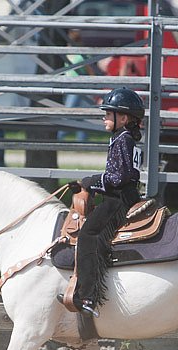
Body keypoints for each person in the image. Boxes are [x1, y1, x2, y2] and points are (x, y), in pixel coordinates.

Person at [60, 87, 145, 317]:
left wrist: (91, 182)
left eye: (109, 113)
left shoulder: (123, 140)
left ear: (124, 118)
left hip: (119, 198)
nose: (104, 117)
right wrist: (91, 182)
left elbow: (119, 178)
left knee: (89, 235)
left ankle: (87, 296)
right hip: (121, 194)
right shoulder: (121, 138)